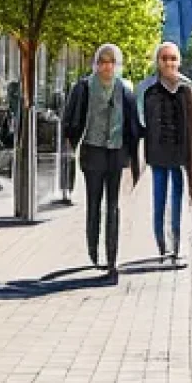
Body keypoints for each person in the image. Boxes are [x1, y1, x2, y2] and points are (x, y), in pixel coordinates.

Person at [62, 44, 141, 281]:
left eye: (111, 62)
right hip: (92, 151)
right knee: (94, 203)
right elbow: (70, 118)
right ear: (96, 64)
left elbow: (133, 123)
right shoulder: (84, 87)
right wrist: (70, 143)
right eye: (102, 61)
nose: (107, 66)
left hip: (116, 153)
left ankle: (112, 258)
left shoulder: (125, 89)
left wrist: (134, 152)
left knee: (113, 205)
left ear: (116, 65)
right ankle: (93, 249)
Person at [138, 42, 192, 260]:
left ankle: (177, 246)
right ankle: (162, 246)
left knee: (177, 201)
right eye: (165, 58)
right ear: (158, 61)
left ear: (179, 61)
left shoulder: (187, 87)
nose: (169, 62)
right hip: (157, 154)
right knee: (159, 200)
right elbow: (139, 121)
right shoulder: (147, 88)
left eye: (173, 58)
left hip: (179, 155)